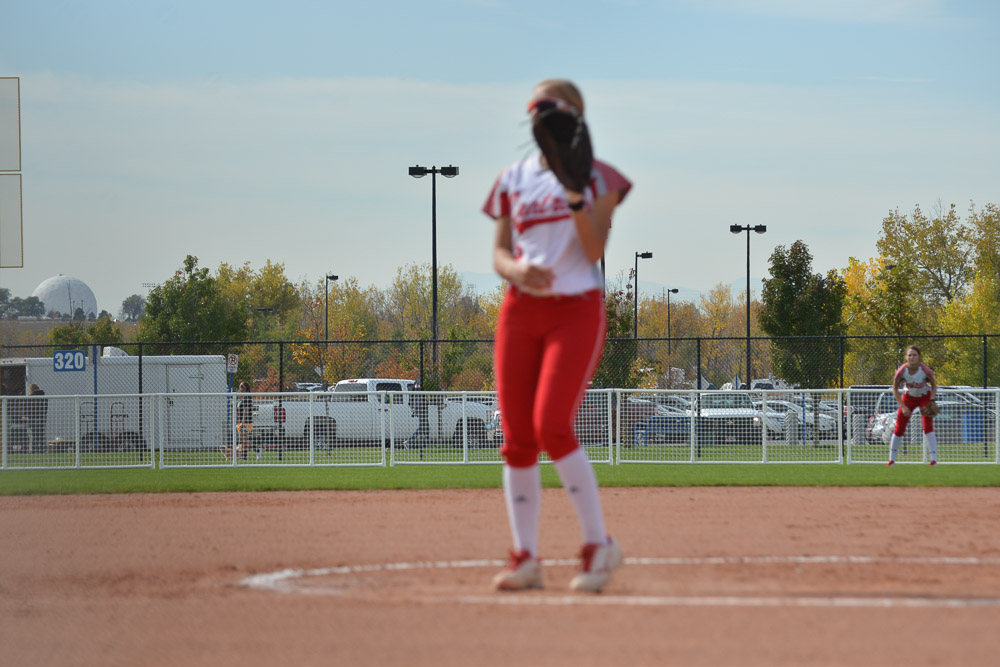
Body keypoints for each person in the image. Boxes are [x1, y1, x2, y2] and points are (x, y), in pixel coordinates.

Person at [482, 78, 631, 593]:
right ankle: (526, 557)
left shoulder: (598, 177)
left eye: (549, 107)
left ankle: (599, 545)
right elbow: (500, 252)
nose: (539, 116)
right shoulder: (513, 178)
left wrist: (572, 195)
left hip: (575, 308)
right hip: (520, 309)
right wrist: (516, 271)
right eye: (534, 109)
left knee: (552, 426)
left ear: (575, 115)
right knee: (518, 437)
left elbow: (592, 250)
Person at [888, 346, 938, 466]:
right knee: (899, 427)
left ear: (919, 357)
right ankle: (891, 460)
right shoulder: (902, 371)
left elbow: (934, 385)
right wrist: (903, 406)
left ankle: (933, 460)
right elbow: (895, 389)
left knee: (927, 426)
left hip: (924, 397)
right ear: (906, 357)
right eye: (909, 355)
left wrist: (932, 400)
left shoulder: (925, 370)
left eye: (914, 355)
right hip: (908, 398)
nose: (912, 357)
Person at [221, 382, 254, 461]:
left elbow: (246, 410)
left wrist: (243, 422)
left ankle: (249, 454)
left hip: (246, 422)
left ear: (245, 388)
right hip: (241, 421)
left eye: (241, 387)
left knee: (243, 440)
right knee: (242, 440)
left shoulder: (247, 397)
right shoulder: (243, 397)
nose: (240, 389)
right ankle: (243, 455)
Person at [26, 383, 48, 454]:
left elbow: (28, 408)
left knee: (34, 435)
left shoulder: (31, 398)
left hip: (33, 418)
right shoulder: (43, 396)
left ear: (31, 389)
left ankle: (34, 450)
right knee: (40, 434)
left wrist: (27, 415)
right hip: (41, 418)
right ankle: (41, 450)